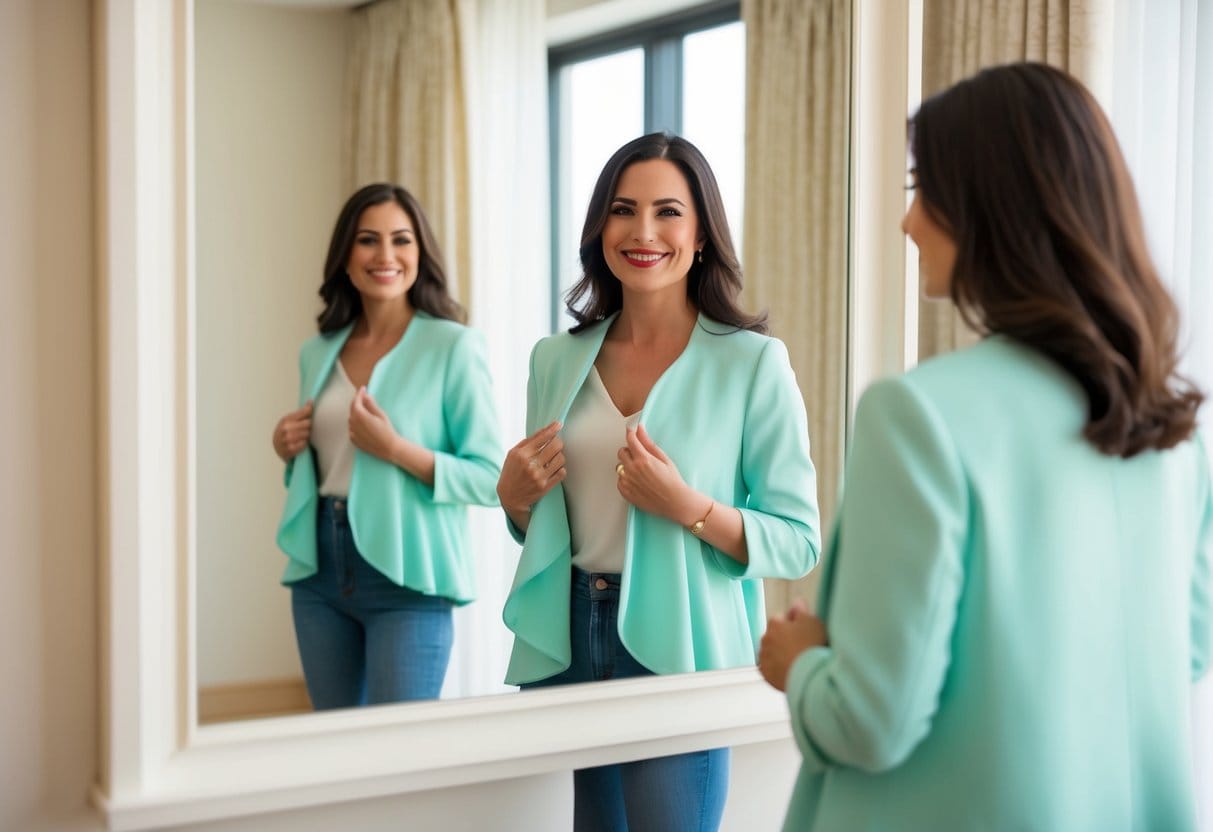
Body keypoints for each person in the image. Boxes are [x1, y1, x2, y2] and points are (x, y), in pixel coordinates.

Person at [758, 62, 1212, 830]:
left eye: (921, 189)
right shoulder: (1169, 430)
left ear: (986, 205)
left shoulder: (917, 417)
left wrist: (798, 661)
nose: (907, 223)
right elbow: (1184, 656)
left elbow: (868, 721)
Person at [497, 132, 822, 831]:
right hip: (574, 630)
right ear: (599, 228)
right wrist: (512, 500)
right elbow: (544, 521)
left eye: (667, 211)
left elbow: (797, 541)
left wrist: (689, 506)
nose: (642, 231)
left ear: (701, 234)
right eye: (622, 209)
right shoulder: (554, 359)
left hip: (685, 643)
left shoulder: (752, 365)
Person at [273, 182, 502, 709]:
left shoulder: (454, 346)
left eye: (401, 240)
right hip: (320, 572)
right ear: (346, 257)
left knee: (402, 755)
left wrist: (396, 449)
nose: (385, 255)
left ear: (420, 253)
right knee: (337, 749)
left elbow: (490, 477)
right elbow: (330, 464)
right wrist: (288, 448)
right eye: (367, 240)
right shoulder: (318, 352)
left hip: (409, 578)